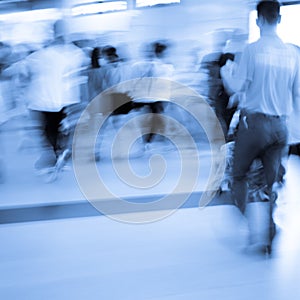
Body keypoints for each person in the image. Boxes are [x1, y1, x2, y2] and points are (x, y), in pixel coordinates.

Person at [221, 0, 300, 255]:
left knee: (239, 176)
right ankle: (268, 232)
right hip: (281, 126)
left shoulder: (252, 50)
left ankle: (253, 229)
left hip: (254, 124)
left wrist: (225, 73)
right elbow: (297, 94)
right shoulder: (292, 53)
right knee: (270, 182)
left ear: (258, 21)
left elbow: (237, 87)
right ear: (279, 19)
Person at [20, 19, 88, 174]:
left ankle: (55, 156)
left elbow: (25, 75)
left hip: (42, 100)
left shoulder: (39, 55)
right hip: (66, 99)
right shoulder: (76, 53)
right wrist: (83, 99)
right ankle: (60, 153)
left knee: (47, 129)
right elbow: (81, 77)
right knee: (61, 127)